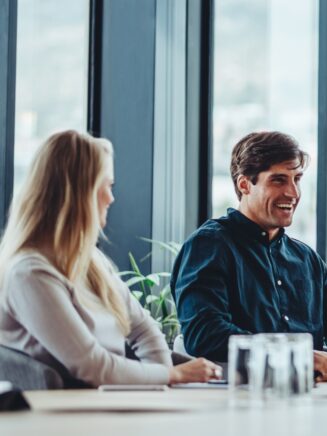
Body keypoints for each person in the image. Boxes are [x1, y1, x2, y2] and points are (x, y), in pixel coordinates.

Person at [0, 130, 221, 387]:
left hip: (105, 403)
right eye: (107, 186)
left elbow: (142, 328)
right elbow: (91, 366)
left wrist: (161, 380)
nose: (111, 198)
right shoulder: (30, 274)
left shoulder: (90, 261)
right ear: (81, 193)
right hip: (62, 418)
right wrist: (172, 375)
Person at [172, 131, 327, 381]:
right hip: (237, 402)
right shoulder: (209, 245)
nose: (293, 193)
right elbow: (206, 335)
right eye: (278, 180)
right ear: (244, 184)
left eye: (297, 179)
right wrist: (297, 355)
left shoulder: (305, 258)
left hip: (311, 400)